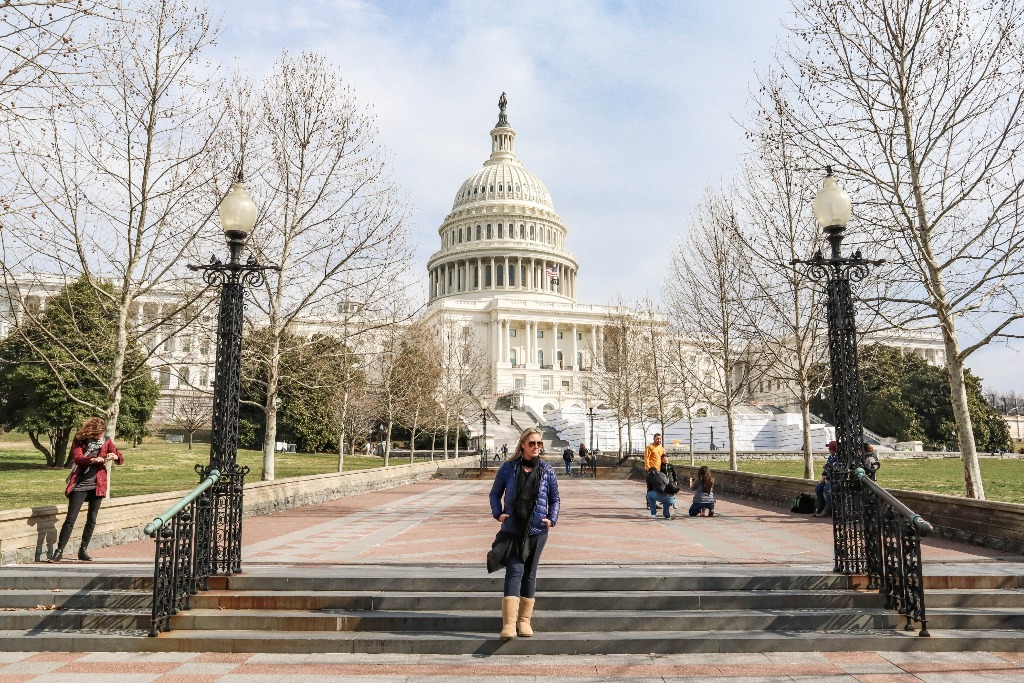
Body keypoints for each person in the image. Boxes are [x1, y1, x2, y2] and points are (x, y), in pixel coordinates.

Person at [488, 427, 560, 639]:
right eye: (532, 443)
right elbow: (494, 494)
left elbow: (555, 498)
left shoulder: (547, 470)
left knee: (530, 574)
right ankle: (509, 624)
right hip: (513, 529)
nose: (536, 447)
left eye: (539, 443)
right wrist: (498, 513)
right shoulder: (508, 468)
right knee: (514, 572)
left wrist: (552, 518)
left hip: (537, 530)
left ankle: (524, 621)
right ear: (522, 445)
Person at [52, 417, 124, 563]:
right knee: (70, 519)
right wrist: (92, 459)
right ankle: (58, 552)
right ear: (90, 432)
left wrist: (114, 456)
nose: (100, 437)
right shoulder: (80, 440)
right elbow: (77, 458)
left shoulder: (107, 441)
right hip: (80, 484)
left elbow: (120, 459)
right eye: (97, 435)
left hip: (98, 485)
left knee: (91, 519)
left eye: (101, 434)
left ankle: (83, 550)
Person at [815, 441, 838, 518]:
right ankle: (820, 508)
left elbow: (835, 470)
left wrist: (828, 478)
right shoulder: (831, 457)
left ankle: (828, 510)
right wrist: (823, 476)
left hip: (834, 480)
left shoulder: (838, 458)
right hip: (827, 479)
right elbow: (827, 468)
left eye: (830, 448)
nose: (828, 449)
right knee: (818, 488)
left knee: (827, 489)